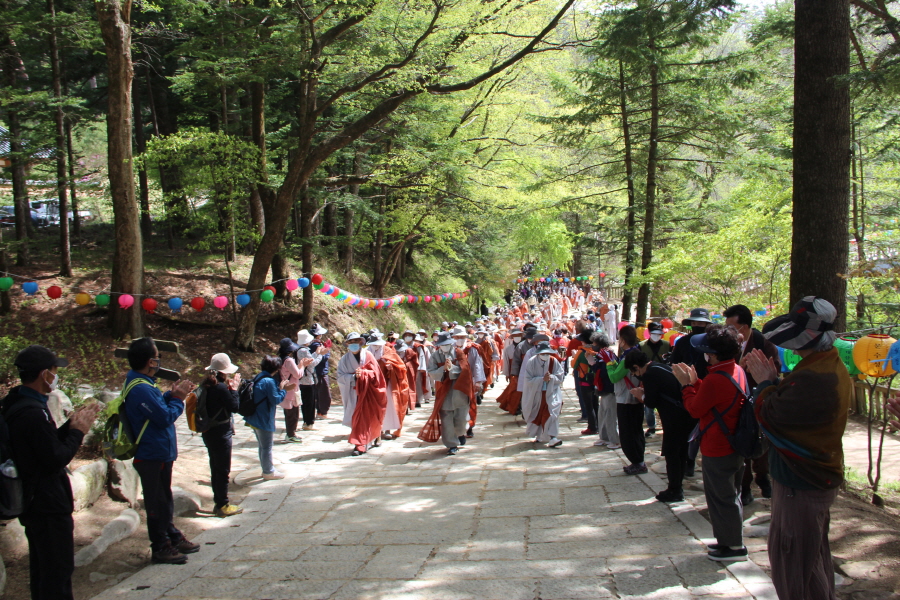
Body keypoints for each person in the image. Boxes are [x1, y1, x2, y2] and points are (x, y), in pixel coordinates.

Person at [745, 297, 851, 600]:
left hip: (800, 481)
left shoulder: (816, 377)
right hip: (810, 478)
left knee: (792, 561)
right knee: (812, 561)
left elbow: (772, 414)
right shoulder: (822, 365)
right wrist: (773, 382)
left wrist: (765, 383)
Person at [2, 345, 101, 598]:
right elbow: (55, 458)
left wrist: (70, 425)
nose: (57, 377)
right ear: (44, 374)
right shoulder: (32, 413)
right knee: (56, 571)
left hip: (35, 500)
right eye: (55, 371)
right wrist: (78, 432)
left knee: (43, 568)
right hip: (46, 503)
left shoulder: (18, 402)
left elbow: (43, 446)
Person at [673, 324, 748, 562]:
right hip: (735, 442)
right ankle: (728, 540)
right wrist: (696, 384)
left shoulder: (716, 378)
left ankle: (734, 547)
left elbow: (695, 409)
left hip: (718, 445)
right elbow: (714, 399)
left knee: (721, 498)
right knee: (730, 495)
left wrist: (686, 386)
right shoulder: (736, 370)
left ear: (713, 354)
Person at [123, 337, 198, 564]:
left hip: (160, 452)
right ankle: (160, 546)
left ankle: (172, 536)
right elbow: (164, 417)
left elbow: (157, 408)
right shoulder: (140, 388)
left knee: (164, 499)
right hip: (150, 453)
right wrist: (178, 399)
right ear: (149, 361)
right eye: (157, 357)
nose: (158, 361)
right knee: (156, 502)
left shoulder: (146, 384)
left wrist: (169, 395)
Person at [723, 304, 781, 506]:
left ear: (745, 326)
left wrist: (756, 372)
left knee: (761, 441)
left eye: (732, 326)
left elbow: (775, 372)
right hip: (736, 400)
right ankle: (745, 486)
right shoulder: (728, 344)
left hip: (758, 399)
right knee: (743, 442)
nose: (729, 330)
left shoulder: (764, 344)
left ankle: (763, 476)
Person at [626, 351, 696, 502]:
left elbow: (651, 402)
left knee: (672, 453)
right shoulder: (658, 366)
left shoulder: (650, 374)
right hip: (684, 414)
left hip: (674, 417)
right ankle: (677, 486)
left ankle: (675, 489)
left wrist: (640, 395)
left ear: (636, 367)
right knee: (680, 453)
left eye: (633, 371)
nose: (635, 375)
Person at [421, 330, 485, 455]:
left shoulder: (458, 352)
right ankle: (451, 444)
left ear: (451, 344)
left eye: (446, 344)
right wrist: (442, 369)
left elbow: (466, 370)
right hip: (443, 390)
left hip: (459, 389)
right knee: (446, 418)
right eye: (442, 344)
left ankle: (460, 433)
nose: (444, 346)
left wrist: (451, 368)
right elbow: (431, 371)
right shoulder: (435, 355)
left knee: (460, 418)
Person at [200, 353, 243, 517]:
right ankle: (223, 504)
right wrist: (234, 389)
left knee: (215, 467)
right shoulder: (221, 388)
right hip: (221, 432)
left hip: (208, 431)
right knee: (223, 469)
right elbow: (234, 406)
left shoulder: (205, 385)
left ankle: (218, 502)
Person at [337, 332, 387, 456]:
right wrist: (354, 377)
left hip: (368, 392)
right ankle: (361, 442)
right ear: (347, 344)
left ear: (360, 343)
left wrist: (364, 374)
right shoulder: (344, 360)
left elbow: (376, 374)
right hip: (354, 393)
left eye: (356, 342)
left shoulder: (368, 355)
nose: (353, 345)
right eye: (351, 342)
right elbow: (340, 377)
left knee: (368, 417)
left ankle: (361, 444)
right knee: (357, 418)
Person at [245, 355, 295, 480]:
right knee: (266, 447)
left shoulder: (259, 377)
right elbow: (276, 399)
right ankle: (268, 472)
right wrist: (283, 389)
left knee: (262, 446)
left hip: (254, 417)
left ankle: (266, 468)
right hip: (263, 418)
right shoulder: (269, 381)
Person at [607, 325, 645, 474]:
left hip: (626, 397)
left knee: (628, 432)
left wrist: (609, 364)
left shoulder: (628, 356)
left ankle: (637, 461)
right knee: (636, 430)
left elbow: (615, 377)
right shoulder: (636, 352)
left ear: (622, 339)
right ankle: (638, 460)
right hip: (635, 396)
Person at [368, 332, 410, 440]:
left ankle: (387, 429)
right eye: (374, 344)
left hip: (387, 382)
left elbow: (401, 366)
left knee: (388, 407)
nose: (376, 346)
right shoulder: (366, 352)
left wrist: (392, 367)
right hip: (372, 383)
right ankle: (375, 429)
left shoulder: (388, 351)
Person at [521, 341, 564, 447]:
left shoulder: (554, 362)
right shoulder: (531, 362)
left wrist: (551, 378)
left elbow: (560, 376)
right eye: (543, 354)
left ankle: (553, 437)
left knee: (551, 413)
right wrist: (541, 380)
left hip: (551, 392)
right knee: (537, 415)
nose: (545, 356)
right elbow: (528, 379)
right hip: (536, 394)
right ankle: (540, 435)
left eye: (547, 354)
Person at [587, 331, 619, 449]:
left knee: (610, 416)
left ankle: (615, 440)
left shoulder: (607, 354)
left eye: (594, 343)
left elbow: (604, 372)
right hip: (603, 389)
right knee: (602, 414)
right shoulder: (600, 354)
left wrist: (592, 363)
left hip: (610, 389)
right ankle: (604, 437)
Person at [295, 329, 327, 430]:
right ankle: (309, 422)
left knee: (306, 402)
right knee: (309, 402)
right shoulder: (304, 350)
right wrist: (320, 355)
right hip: (308, 379)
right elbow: (312, 364)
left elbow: (310, 359)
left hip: (303, 379)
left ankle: (306, 422)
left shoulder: (300, 350)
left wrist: (317, 353)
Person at [277, 338, 304, 443]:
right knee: (293, 413)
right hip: (291, 389)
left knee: (288, 413)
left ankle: (290, 433)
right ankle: (291, 434)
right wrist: (302, 366)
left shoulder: (280, 359)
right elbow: (297, 374)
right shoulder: (289, 360)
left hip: (284, 388)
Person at [309, 323, 333, 420]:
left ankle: (320, 411)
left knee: (319, 392)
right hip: (320, 371)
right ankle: (322, 412)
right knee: (324, 393)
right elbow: (323, 357)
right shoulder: (316, 345)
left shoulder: (312, 344)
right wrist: (327, 351)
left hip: (316, 372)